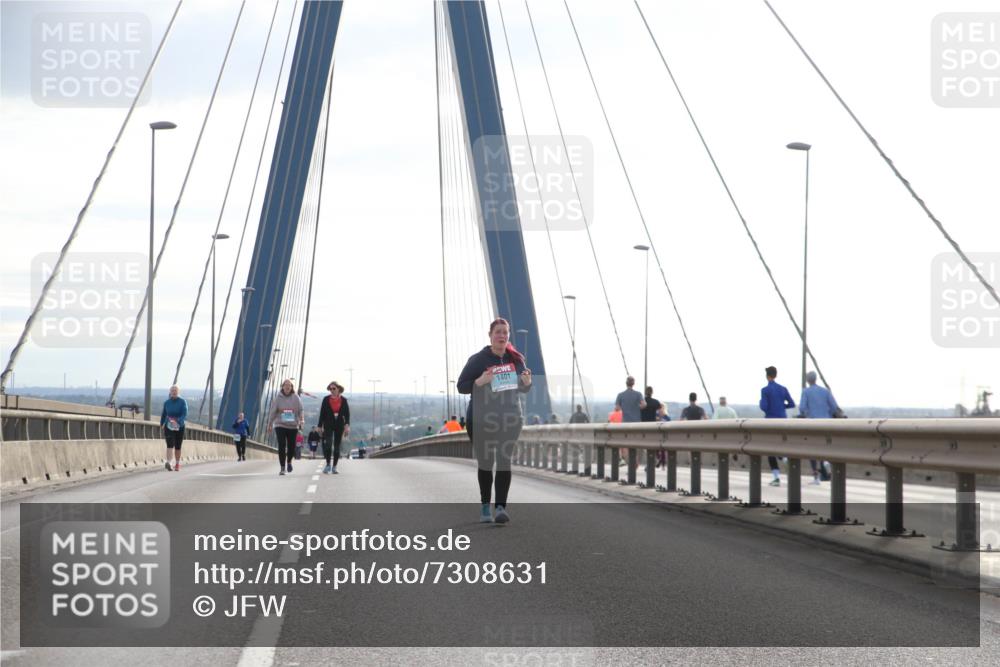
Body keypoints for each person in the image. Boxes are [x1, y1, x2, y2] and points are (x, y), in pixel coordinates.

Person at [457, 317, 532, 524]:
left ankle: (500, 507)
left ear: (508, 336)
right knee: (486, 462)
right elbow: (461, 386)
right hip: (481, 420)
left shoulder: (516, 360)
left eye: (505, 332)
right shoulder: (478, 360)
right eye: (498, 332)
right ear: (490, 335)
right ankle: (485, 507)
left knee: (504, 460)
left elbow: (523, 388)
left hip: (510, 418)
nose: (502, 336)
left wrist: (527, 382)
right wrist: (481, 381)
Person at [799, 370, 841, 484]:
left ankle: (816, 477)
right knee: (825, 447)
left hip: (813, 424)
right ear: (816, 379)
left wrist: (808, 415)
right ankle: (826, 462)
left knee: (812, 450)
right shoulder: (825, 391)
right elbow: (834, 407)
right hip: (827, 424)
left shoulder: (806, 392)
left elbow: (802, 408)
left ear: (807, 380)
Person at [760, 366, 795, 486]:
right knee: (780, 444)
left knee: (770, 449)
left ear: (767, 376)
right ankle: (784, 458)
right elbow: (792, 404)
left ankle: (776, 478)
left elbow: (764, 407)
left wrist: (763, 404)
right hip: (783, 421)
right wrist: (781, 406)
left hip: (770, 422)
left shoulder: (765, 390)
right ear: (776, 375)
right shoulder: (783, 389)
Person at [266, 378, 304, 476]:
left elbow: (300, 410)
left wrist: (302, 419)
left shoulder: (296, 397)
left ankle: (289, 462)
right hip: (280, 425)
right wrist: (270, 424)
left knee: (291, 446)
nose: (287, 386)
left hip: (293, 426)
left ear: (291, 387)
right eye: (285, 385)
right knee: (281, 445)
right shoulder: (278, 398)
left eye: (289, 385)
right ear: (282, 387)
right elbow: (273, 412)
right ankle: (282, 468)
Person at [317, 381, 351, 474]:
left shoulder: (344, 400)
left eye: (333, 388)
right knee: (328, 445)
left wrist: (347, 426)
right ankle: (328, 464)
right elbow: (322, 413)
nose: (332, 390)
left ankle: (335, 467)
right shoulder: (326, 399)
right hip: (328, 424)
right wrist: (319, 426)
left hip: (339, 425)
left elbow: (347, 415)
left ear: (338, 389)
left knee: (337, 446)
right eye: (330, 389)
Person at [160, 385, 188, 471]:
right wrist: (161, 424)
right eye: (172, 390)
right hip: (169, 425)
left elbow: (184, 413)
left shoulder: (182, 401)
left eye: (175, 390)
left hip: (180, 426)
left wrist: (178, 421)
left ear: (178, 392)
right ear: (170, 392)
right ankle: (169, 462)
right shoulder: (167, 403)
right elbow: (164, 414)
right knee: (170, 443)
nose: (174, 392)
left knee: (178, 446)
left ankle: (177, 463)